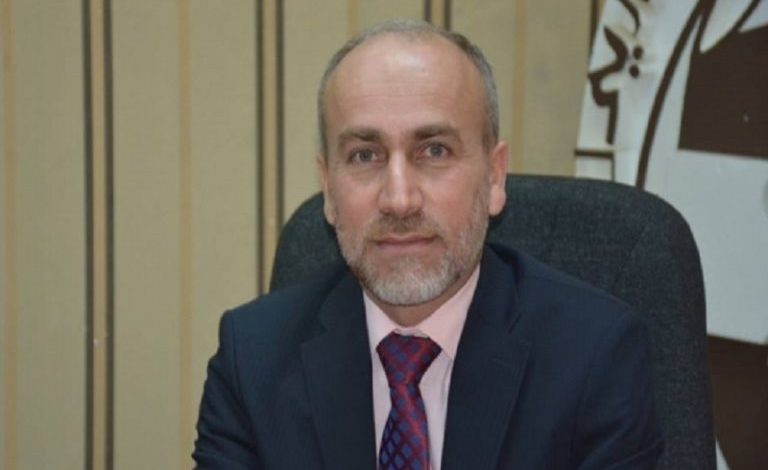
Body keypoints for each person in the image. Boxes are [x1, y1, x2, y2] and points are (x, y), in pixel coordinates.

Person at [193, 19, 663, 470]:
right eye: (364, 155)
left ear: (495, 176)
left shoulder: (595, 357)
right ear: (328, 189)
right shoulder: (251, 360)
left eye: (434, 150)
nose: (399, 200)